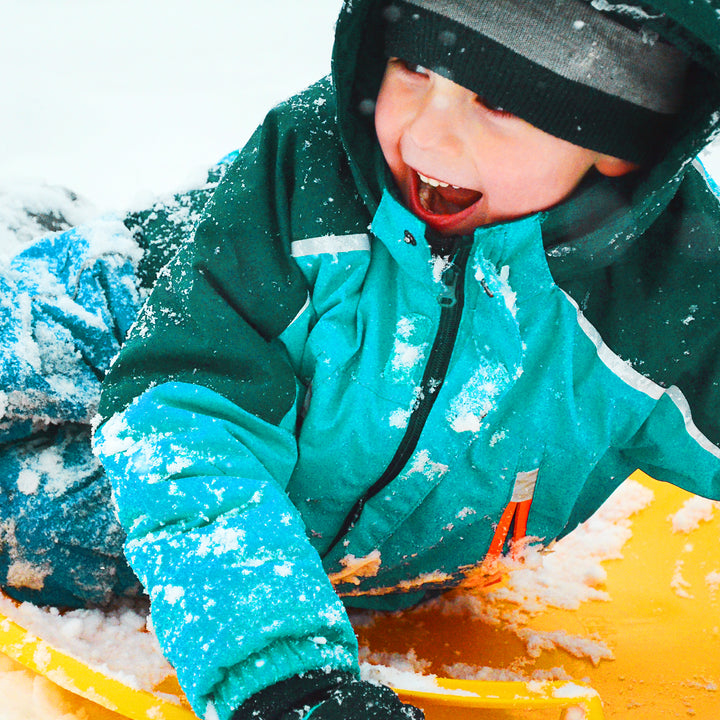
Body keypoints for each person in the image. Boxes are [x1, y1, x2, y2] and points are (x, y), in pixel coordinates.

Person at [3, 0, 720, 718]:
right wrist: (286, 683)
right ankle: (39, 232)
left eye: (497, 100)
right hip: (158, 302)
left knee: (27, 536)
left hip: (328, 530)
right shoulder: (309, 165)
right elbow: (187, 418)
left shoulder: (675, 293)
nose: (426, 130)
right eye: (411, 66)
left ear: (620, 142)